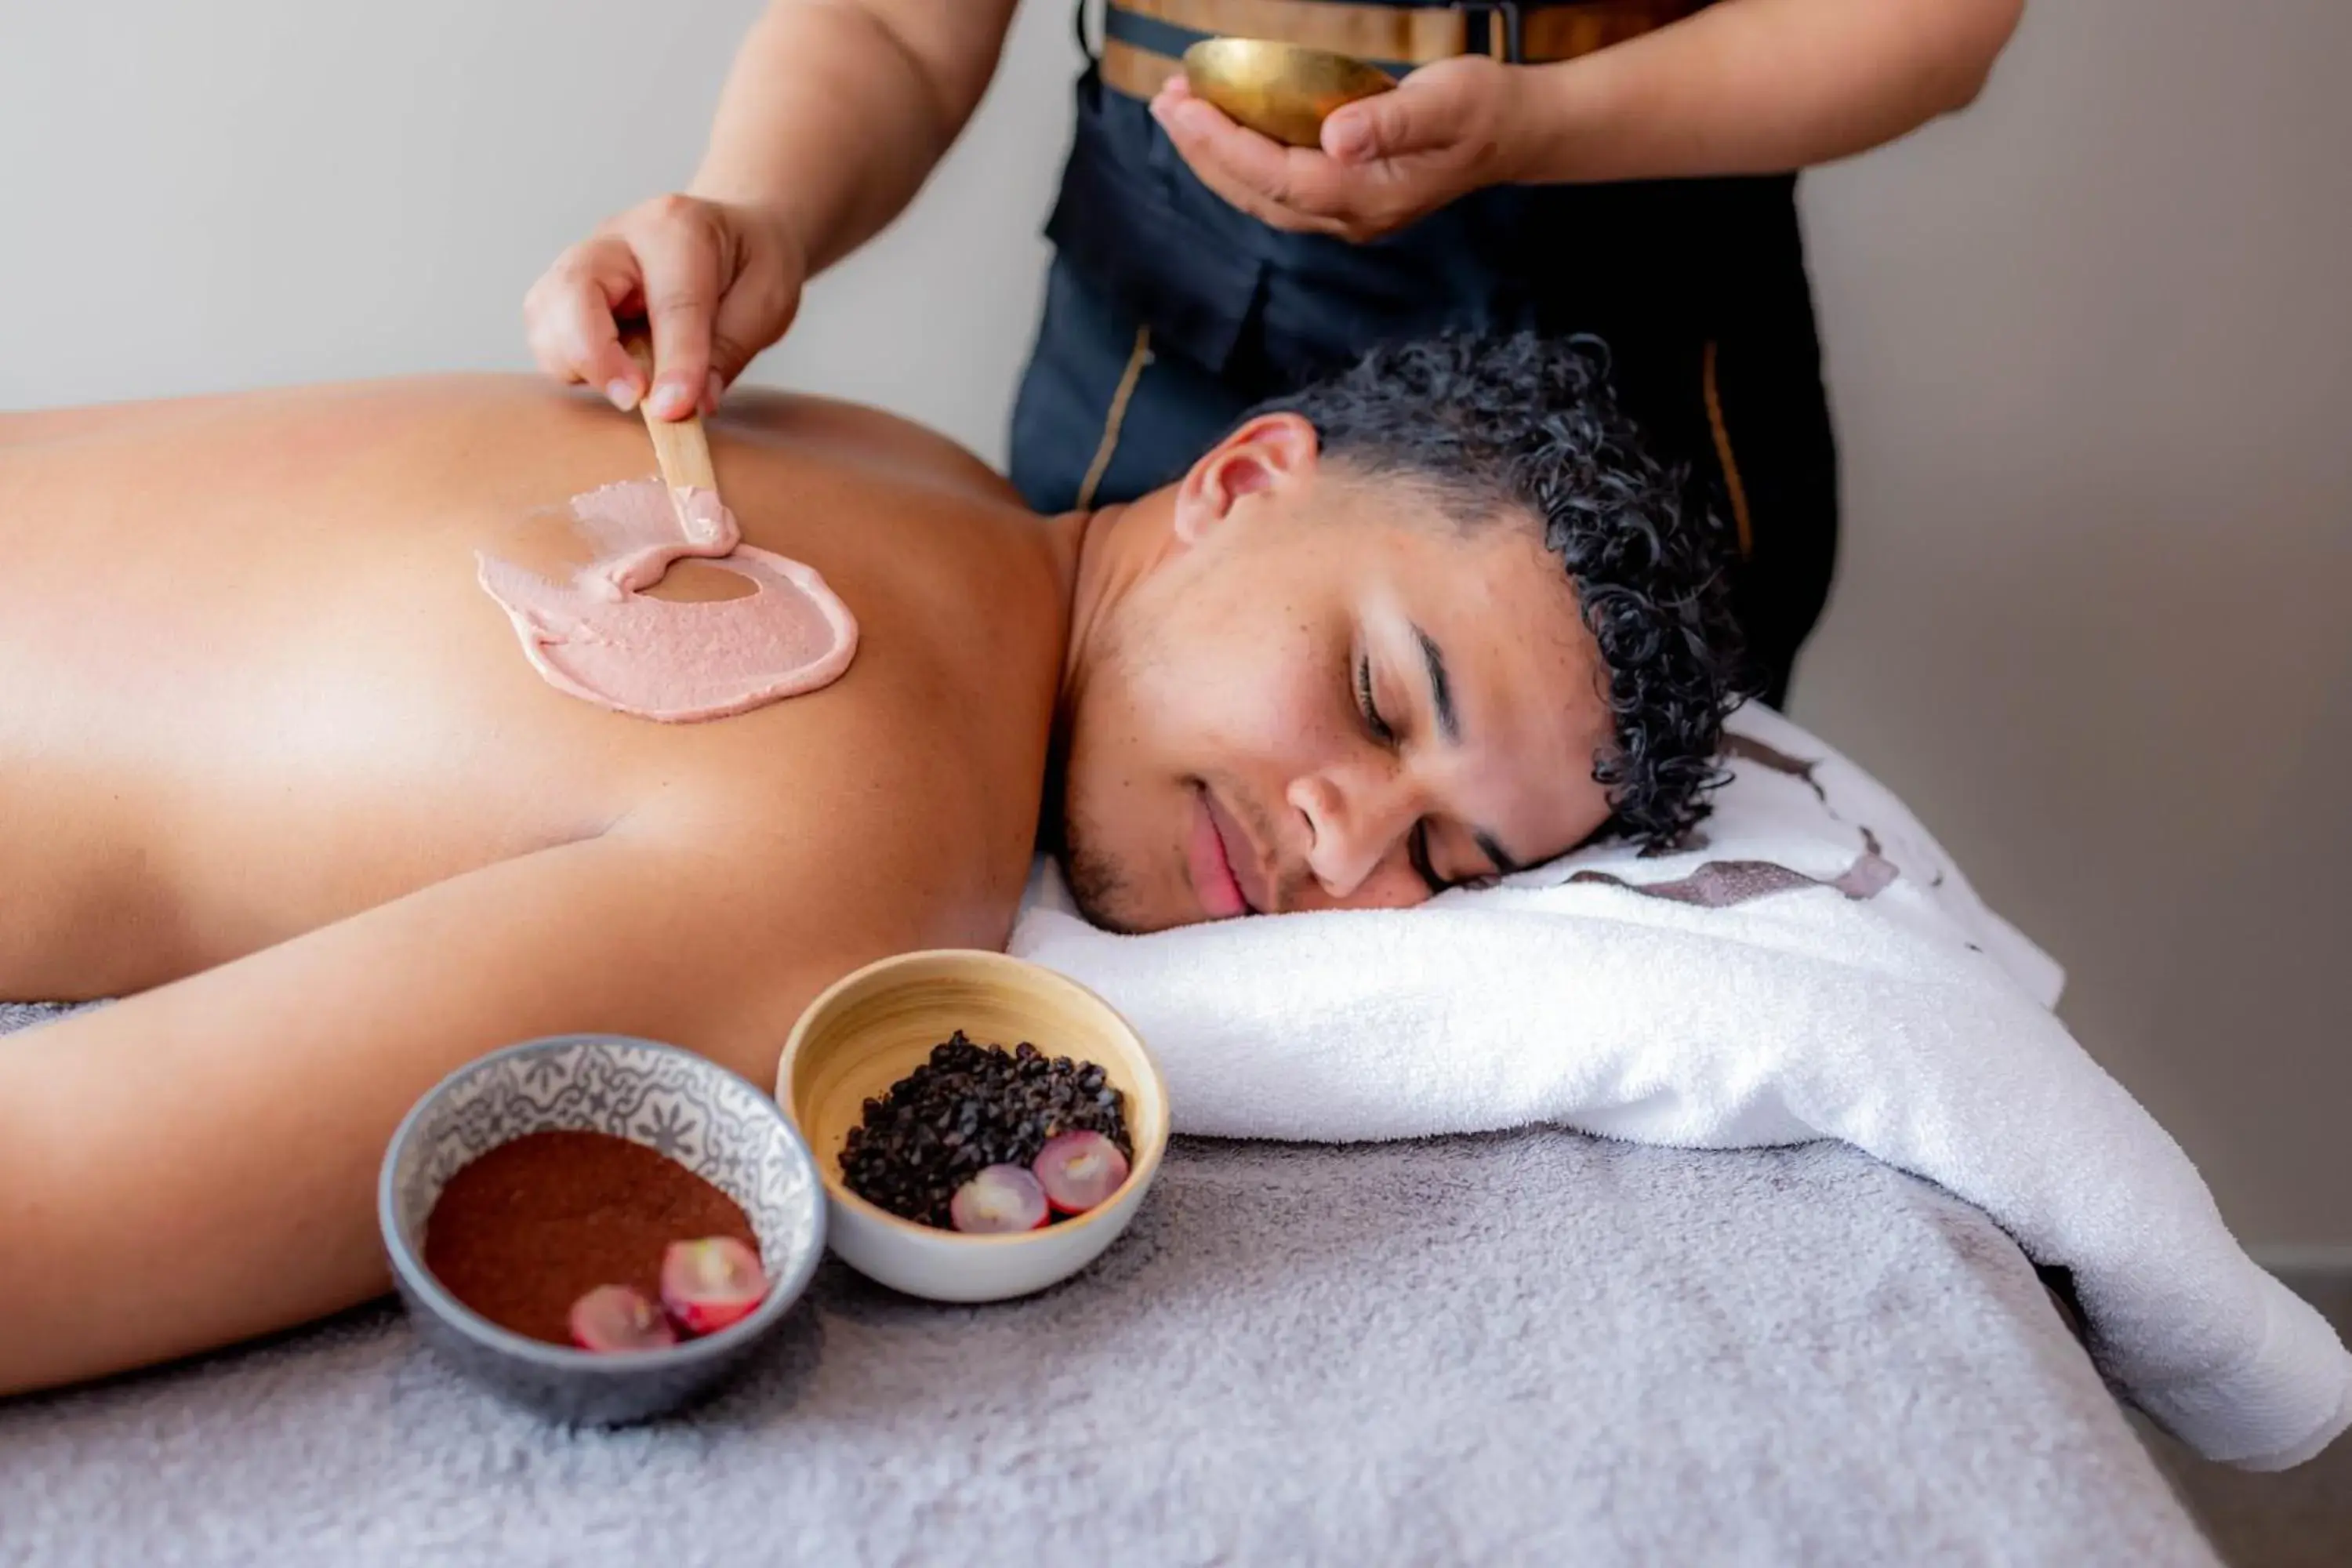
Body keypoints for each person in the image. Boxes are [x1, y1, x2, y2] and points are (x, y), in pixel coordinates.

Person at [0, 332, 1739, 1397]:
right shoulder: (874, 851)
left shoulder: (917, 471)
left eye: (1443, 855)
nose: (1340, 841)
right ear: (1246, 475)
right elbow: (48, 1201)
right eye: (1372, 697)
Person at [524, 0, 2024, 706]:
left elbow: (1930, 20)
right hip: (1171, 341)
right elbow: (891, 26)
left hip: (1642, 324)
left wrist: (1551, 124)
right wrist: (760, 206)